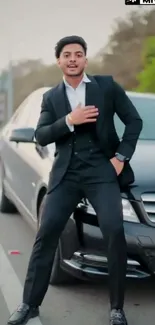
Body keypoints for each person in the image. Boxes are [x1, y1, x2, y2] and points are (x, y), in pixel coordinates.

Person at [7, 35, 143, 325]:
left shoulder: (106, 87)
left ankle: (117, 309)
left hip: (101, 173)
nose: (72, 58)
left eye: (78, 54)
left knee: (114, 231)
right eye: (66, 54)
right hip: (66, 174)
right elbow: (41, 135)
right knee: (46, 235)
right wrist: (70, 120)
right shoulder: (52, 97)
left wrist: (121, 157)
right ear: (59, 61)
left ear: (85, 58)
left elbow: (134, 121)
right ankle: (29, 305)